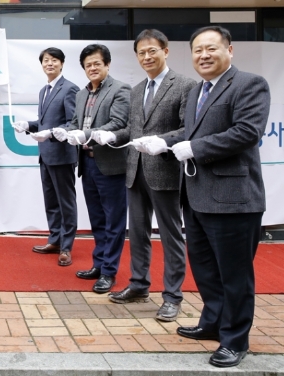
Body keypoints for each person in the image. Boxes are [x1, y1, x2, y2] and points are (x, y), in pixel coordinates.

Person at [158, 26, 270, 368]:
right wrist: (163, 141)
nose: (203, 55)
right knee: (206, 270)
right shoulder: (197, 92)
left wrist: (194, 148)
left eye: (211, 48)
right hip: (196, 196)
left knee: (234, 274)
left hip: (234, 199)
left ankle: (235, 339)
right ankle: (213, 322)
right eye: (197, 50)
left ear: (230, 50)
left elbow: (246, 132)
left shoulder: (249, 84)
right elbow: (191, 132)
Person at [100, 29, 196, 322]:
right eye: (141, 53)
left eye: (152, 51)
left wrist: (162, 142)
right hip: (135, 171)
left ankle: (173, 296)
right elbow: (132, 131)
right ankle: (139, 285)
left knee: (170, 236)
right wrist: (108, 135)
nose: (146, 57)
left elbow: (187, 129)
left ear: (165, 51)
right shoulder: (136, 89)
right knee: (138, 234)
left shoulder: (185, 85)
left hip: (165, 170)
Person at [53, 44, 130, 294]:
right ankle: (99, 265)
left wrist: (83, 133)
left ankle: (109, 272)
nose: (92, 68)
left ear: (107, 64)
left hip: (111, 166)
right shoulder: (81, 94)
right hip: (88, 164)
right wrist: (59, 132)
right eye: (88, 65)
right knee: (97, 220)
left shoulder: (120, 90)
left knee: (113, 221)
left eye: (97, 63)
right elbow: (74, 123)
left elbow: (118, 124)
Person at [11, 47, 79, 267]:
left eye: (54, 60)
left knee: (66, 203)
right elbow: (44, 121)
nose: (50, 64)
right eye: (46, 60)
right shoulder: (44, 90)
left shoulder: (69, 89)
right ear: (41, 65)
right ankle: (55, 240)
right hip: (46, 155)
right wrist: (29, 125)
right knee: (51, 202)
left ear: (62, 63)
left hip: (62, 155)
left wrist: (49, 133)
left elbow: (72, 124)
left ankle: (66, 247)